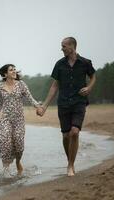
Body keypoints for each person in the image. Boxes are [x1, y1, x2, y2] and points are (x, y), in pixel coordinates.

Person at [37, 37, 96, 176]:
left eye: (63, 46)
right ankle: (70, 161)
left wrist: (89, 87)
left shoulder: (85, 62)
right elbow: (55, 85)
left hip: (79, 102)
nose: (61, 48)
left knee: (74, 132)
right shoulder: (59, 64)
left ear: (72, 46)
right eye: (62, 46)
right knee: (65, 136)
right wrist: (45, 105)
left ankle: (70, 165)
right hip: (63, 103)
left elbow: (93, 76)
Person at [0, 64, 41, 176]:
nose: (14, 71)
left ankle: (18, 161)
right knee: (4, 141)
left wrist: (38, 106)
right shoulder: (0, 87)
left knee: (19, 144)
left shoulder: (21, 85)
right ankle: (6, 170)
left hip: (19, 120)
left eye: (14, 69)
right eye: (11, 70)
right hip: (5, 119)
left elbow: (30, 98)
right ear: (5, 74)